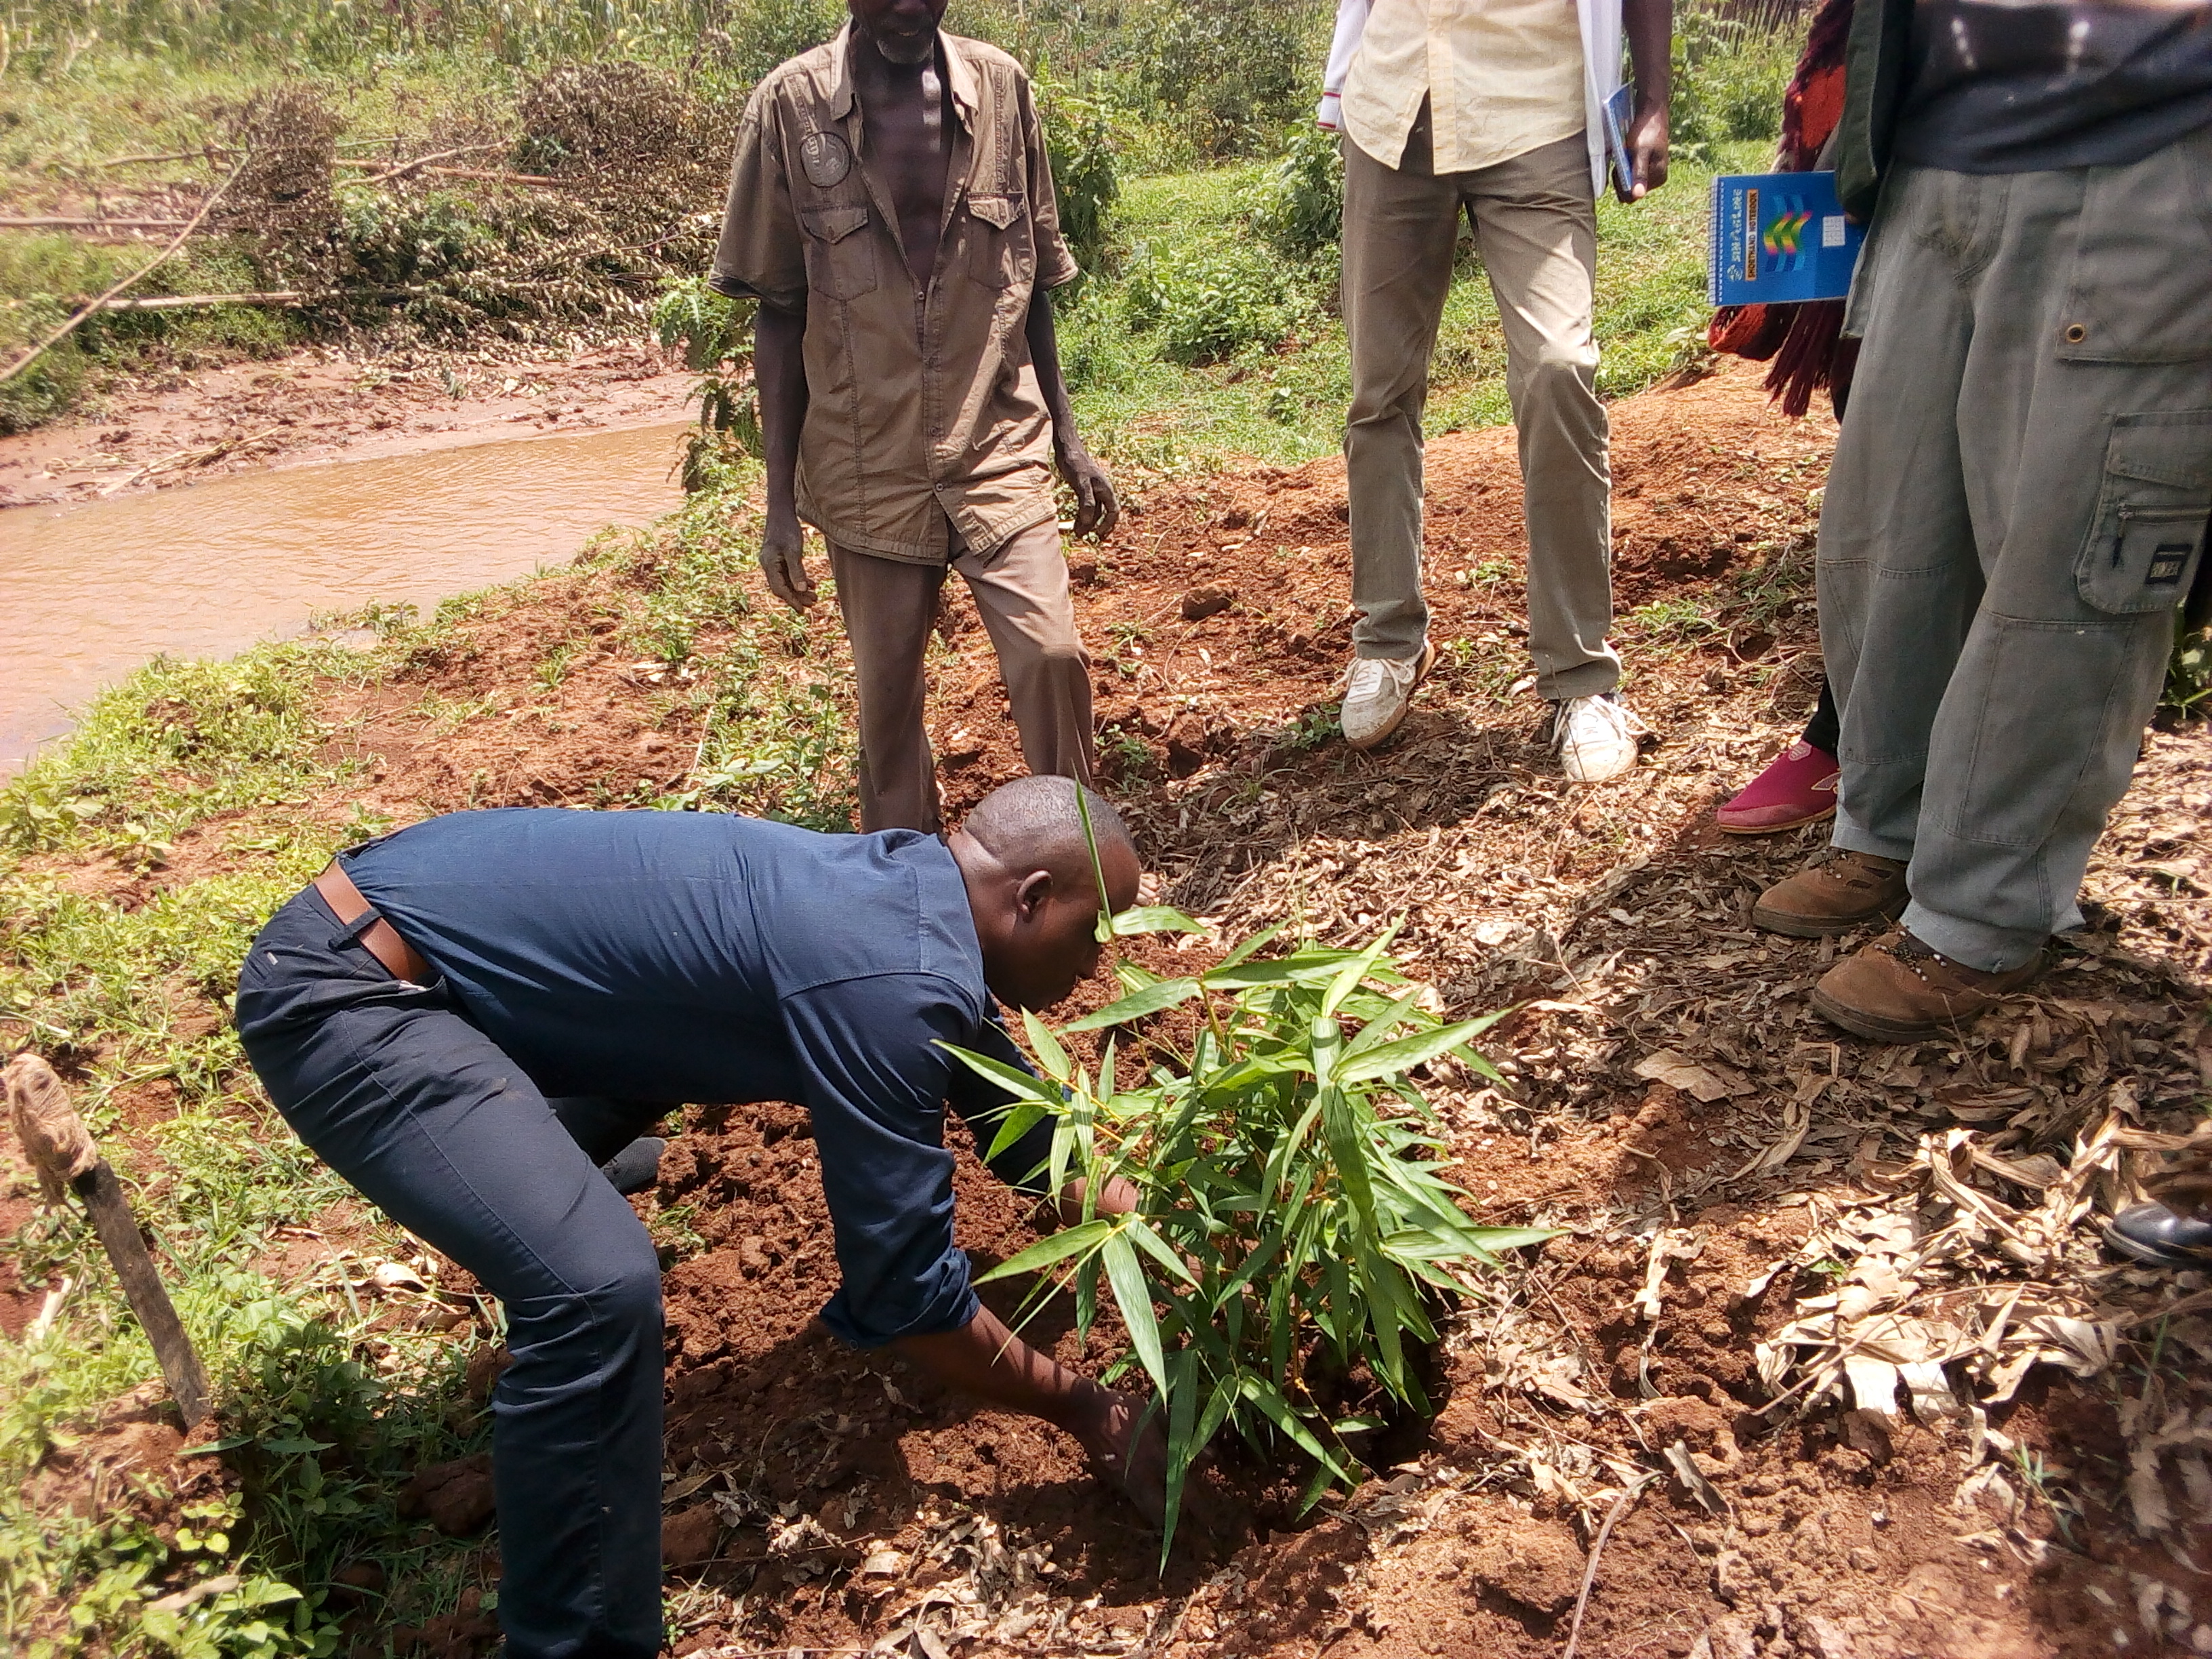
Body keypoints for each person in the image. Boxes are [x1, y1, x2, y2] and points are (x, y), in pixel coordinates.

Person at [232, 778, 1164, 1658]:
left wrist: (1183, 1228)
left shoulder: (903, 894)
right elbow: (909, 1298)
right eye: (1096, 934)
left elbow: (1024, 1127)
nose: (1096, 967)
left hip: (462, 945)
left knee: (650, 1054)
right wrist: (1087, 1408)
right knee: (595, 1289)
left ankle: (548, 1164)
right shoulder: (889, 983)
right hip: (349, 993)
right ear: (1034, 897)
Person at [1750, 0, 2212, 1041]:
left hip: (2145, 147)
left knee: (2066, 558)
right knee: (1887, 534)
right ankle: (1887, 824)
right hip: (1936, 152)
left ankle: (1981, 909)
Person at [708, 0, 1115, 836]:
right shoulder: (789, 108)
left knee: (1052, 655)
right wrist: (779, 504)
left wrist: (1070, 440)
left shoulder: (1002, 90)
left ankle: (1077, 864)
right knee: (888, 705)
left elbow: (1032, 281)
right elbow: (779, 312)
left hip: (995, 440)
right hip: (868, 461)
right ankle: (907, 891)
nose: (905, 7)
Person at [1317, 0, 1675, 778]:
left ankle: (1581, 678)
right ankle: (1387, 640)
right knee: (1380, 390)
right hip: (1394, 111)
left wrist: (1654, 101)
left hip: (1536, 112)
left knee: (1558, 368)